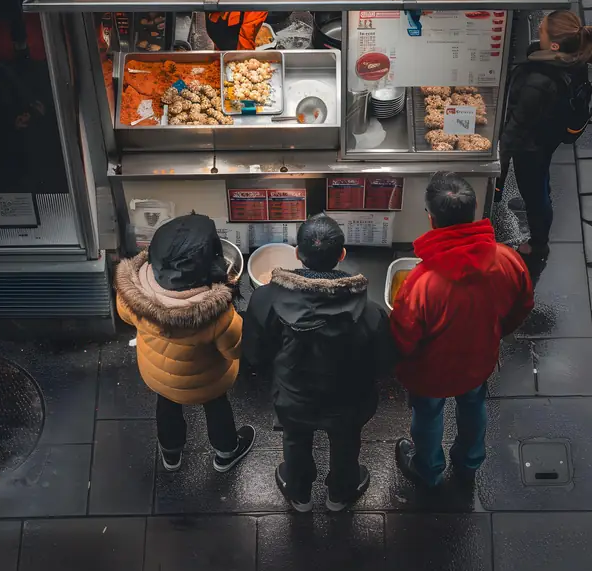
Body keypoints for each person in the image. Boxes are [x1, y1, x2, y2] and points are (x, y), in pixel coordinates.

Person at [391, 172, 534, 488]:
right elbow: (521, 306)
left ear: (431, 219)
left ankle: (428, 470)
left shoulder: (422, 281)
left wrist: (403, 365)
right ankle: (469, 461)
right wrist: (495, 332)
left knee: (427, 415)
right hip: (479, 360)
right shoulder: (508, 259)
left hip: (431, 372)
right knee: (473, 405)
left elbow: (405, 336)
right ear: (473, 212)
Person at [243, 214, 392, 513]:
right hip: (349, 400)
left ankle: (299, 495)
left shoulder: (265, 299)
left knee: (295, 440)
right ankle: (341, 493)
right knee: (347, 443)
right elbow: (384, 365)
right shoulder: (371, 312)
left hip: (292, 397)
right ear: (342, 255)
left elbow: (254, 356)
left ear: (297, 254)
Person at [114, 213, 255, 472]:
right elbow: (234, 348)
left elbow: (125, 315)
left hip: (158, 375)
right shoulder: (216, 313)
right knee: (216, 408)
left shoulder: (133, 293)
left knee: (167, 406)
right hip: (207, 381)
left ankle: (171, 455)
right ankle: (226, 452)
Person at [499, 10, 592, 260]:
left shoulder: (539, 81)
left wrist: (499, 161)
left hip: (531, 146)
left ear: (553, 44)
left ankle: (538, 244)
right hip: (548, 136)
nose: (538, 27)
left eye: (542, 29)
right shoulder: (574, 58)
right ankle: (540, 200)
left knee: (534, 192)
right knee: (540, 181)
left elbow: (517, 127)